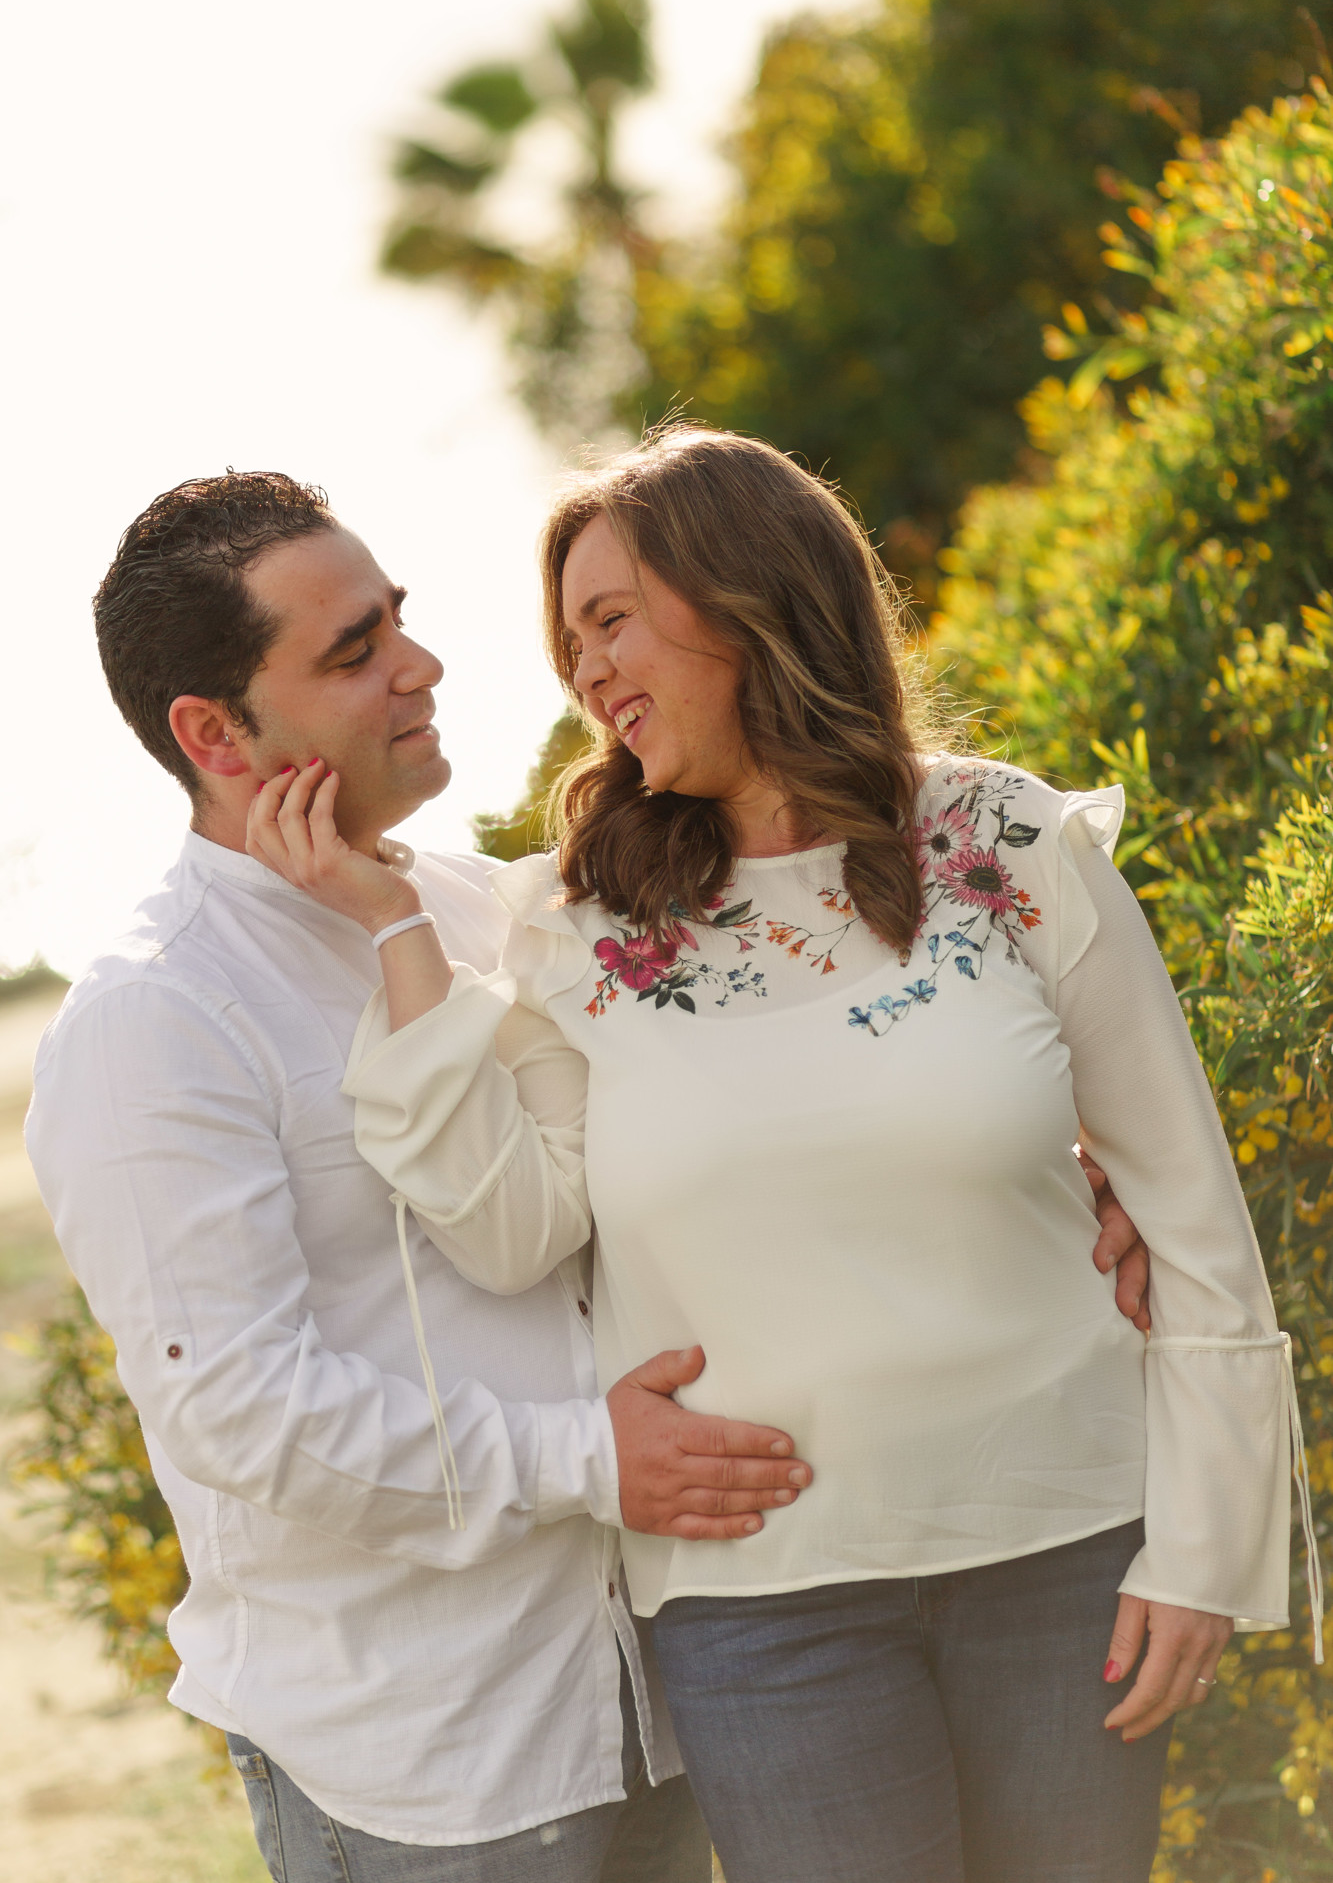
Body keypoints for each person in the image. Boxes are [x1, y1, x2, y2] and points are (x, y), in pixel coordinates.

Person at [248, 427, 1319, 1883]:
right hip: (762, 1610)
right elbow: (511, 1232)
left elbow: (1187, 1209)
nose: (586, 672)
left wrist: (1202, 1550)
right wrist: (396, 940)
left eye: (611, 618)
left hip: (1068, 1559)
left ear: (747, 596)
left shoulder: (1005, 839)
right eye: (569, 642)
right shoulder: (576, 926)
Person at [27, 468, 856, 1883]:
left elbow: (702, 1121)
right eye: (353, 652)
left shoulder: (481, 909)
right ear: (213, 732)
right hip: (427, 1767)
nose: (422, 665)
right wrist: (592, 1459)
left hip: (657, 1698)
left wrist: (1040, 1172)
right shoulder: (150, 1022)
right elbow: (249, 1417)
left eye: (395, 620)